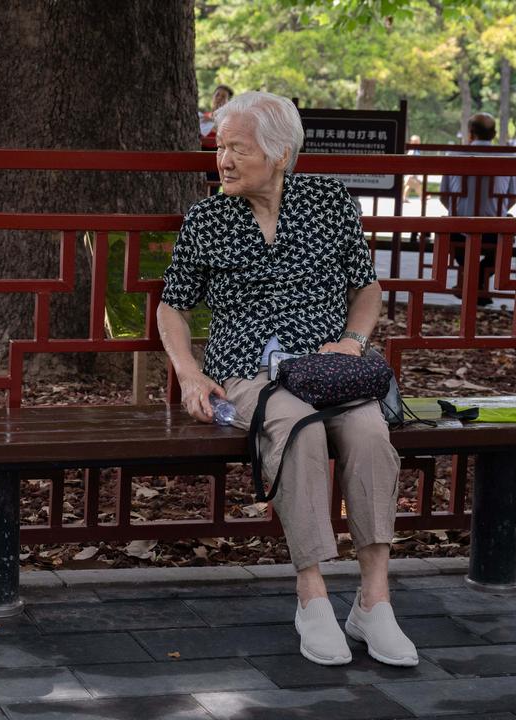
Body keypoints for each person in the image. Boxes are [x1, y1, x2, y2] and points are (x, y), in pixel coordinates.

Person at [158, 91, 417, 669]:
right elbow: (172, 307)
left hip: (326, 366)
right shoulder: (209, 218)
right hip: (248, 372)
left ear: (280, 155)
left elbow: (366, 288)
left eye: (237, 149)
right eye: (219, 147)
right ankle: (313, 595)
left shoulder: (327, 200)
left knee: (371, 435)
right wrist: (190, 374)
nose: (221, 160)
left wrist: (353, 342)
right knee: (296, 431)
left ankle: (374, 601)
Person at [441, 113, 516, 307]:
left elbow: (444, 196)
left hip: (458, 230)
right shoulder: (508, 157)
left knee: (450, 227)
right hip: (494, 231)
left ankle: (468, 279)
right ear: (493, 133)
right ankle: (479, 282)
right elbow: (513, 196)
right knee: (508, 234)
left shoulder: (453, 155)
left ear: (470, 133)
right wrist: (498, 212)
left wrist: (459, 212)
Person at [202, 84, 233, 196]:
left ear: (228, 101)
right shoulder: (203, 118)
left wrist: (213, 123)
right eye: (217, 95)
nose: (219, 98)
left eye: (223, 96)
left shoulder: (230, 120)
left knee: (212, 190)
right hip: (200, 156)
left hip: (217, 158)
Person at [401, 135, 423, 203]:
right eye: (415, 142)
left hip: (413, 170)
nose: (418, 143)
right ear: (412, 142)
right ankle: (422, 197)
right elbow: (411, 162)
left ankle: (404, 198)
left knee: (409, 185)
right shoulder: (413, 151)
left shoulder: (416, 150)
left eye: (418, 141)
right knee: (416, 184)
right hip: (411, 171)